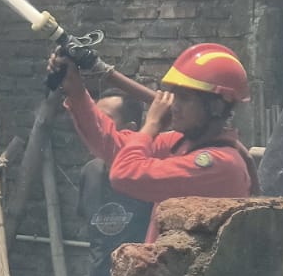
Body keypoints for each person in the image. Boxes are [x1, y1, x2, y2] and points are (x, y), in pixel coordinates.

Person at [50, 43, 257, 241]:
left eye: (184, 99)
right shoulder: (182, 143)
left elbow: (125, 174)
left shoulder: (220, 164)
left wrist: (152, 125)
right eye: (174, 96)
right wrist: (75, 90)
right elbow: (112, 145)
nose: (174, 106)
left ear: (217, 107)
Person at [78, 95, 154, 276]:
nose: (95, 126)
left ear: (130, 128)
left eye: (104, 119)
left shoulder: (150, 175)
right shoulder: (90, 172)